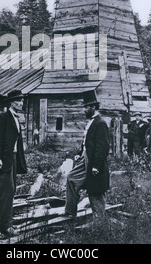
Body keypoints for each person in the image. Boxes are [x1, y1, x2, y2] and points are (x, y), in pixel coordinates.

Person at [0, 89, 27, 236]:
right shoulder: (3, 117)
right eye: (18, 101)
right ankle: (5, 225)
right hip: (3, 160)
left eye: (22, 100)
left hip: (13, 159)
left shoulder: (16, 118)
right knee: (6, 191)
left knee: (11, 191)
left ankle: (1, 222)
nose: (21, 103)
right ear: (11, 102)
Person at [64, 92, 110, 223]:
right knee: (71, 179)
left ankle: (99, 221)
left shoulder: (100, 123)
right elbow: (87, 142)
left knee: (96, 188)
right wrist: (79, 153)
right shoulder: (91, 122)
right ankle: (70, 212)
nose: (84, 110)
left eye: (86, 107)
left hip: (94, 161)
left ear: (93, 108)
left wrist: (96, 165)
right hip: (85, 158)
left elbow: (103, 147)